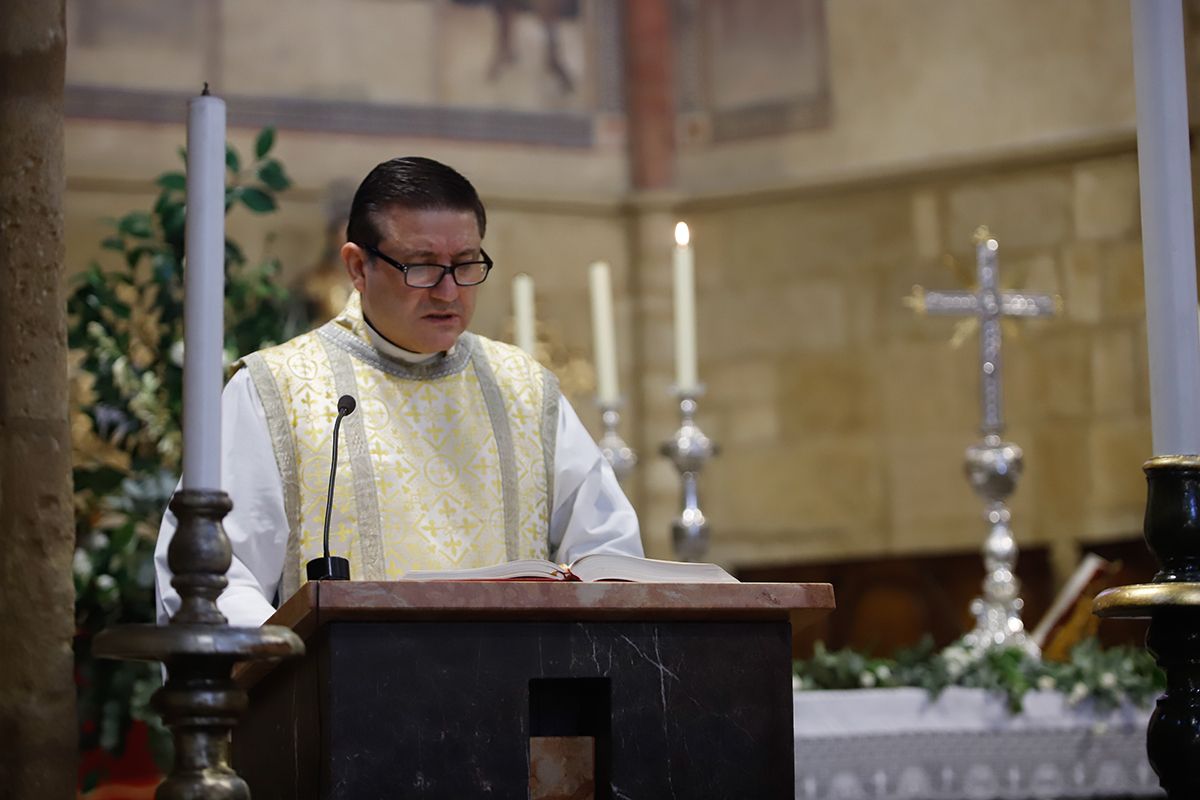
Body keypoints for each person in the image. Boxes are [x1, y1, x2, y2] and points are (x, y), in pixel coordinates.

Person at [155, 156, 643, 627]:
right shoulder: (276, 391)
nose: (449, 291)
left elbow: (607, 552)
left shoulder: (524, 389)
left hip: (517, 699)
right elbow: (213, 576)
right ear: (357, 267)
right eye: (422, 265)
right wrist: (297, 676)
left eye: (467, 263)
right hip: (348, 703)